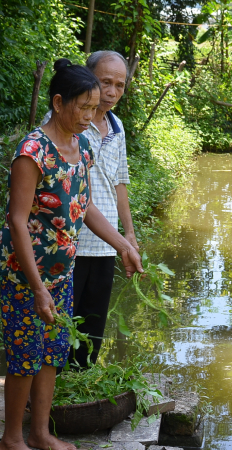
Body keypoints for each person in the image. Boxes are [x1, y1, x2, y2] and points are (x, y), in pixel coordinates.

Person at [0, 58, 143, 450]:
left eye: (94, 108)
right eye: (84, 107)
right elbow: (17, 222)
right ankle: (12, 439)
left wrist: (124, 246)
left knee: (51, 353)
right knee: (25, 355)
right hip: (28, 275)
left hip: (62, 270)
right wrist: (37, 287)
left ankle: (42, 434)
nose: (90, 116)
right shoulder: (33, 151)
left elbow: (88, 206)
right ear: (59, 102)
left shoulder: (79, 145)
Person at [43, 50, 136, 368]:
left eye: (120, 85)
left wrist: (129, 235)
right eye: (105, 82)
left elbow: (119, 182)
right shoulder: (65, 123)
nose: (112, 92)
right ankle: (49, 400)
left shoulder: (117, 126)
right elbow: (74, 195)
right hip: (69, 244)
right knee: (58, 328)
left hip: (106, 244)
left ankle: (78, 391)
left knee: (90, 331)